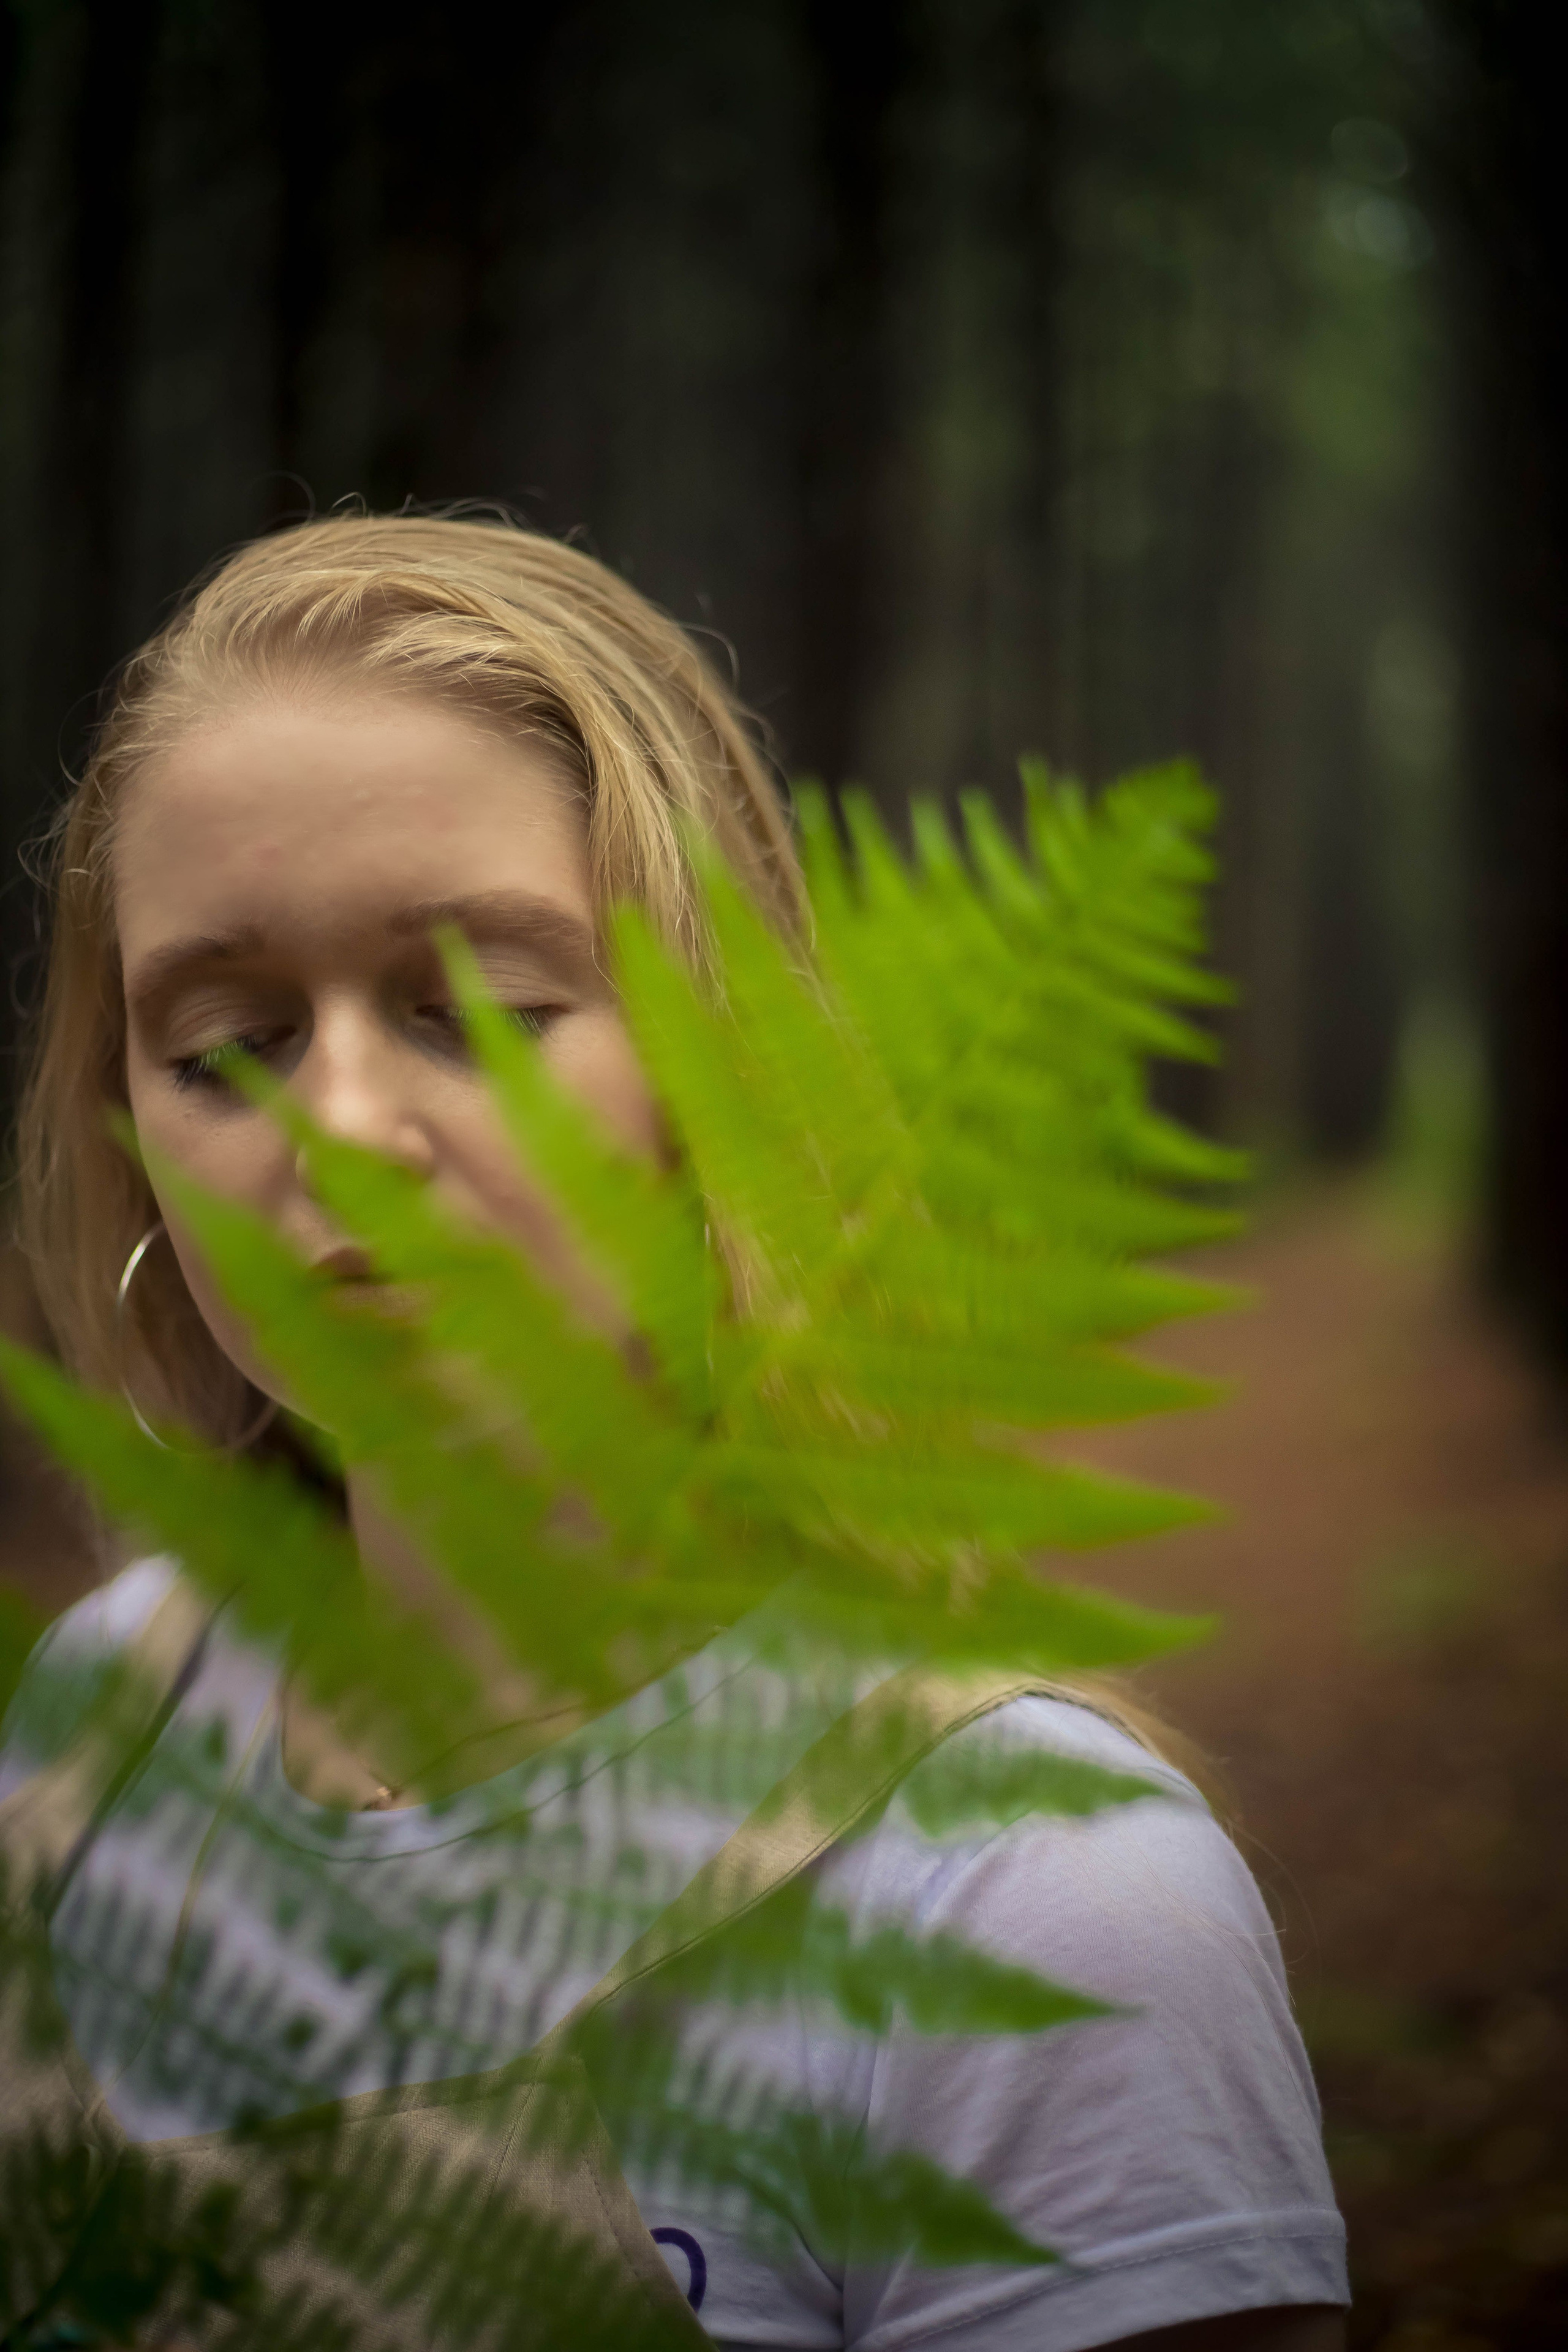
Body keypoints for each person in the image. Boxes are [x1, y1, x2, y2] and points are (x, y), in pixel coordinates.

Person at [1, 513, 1348, 2351]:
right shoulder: (91, 1745)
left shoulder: (1032, 1898)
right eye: (227, 1040)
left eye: (477, 1005)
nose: (341, 1127)